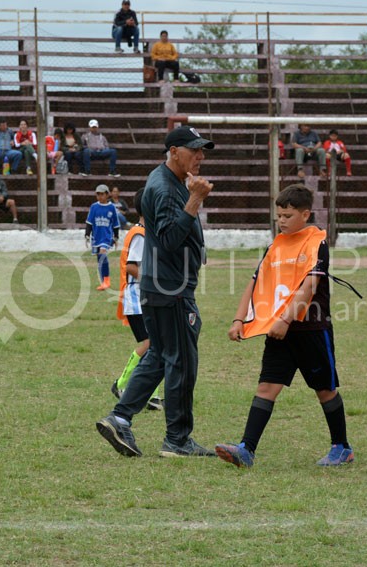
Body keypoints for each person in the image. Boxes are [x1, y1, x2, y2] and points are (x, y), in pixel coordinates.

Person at [95, 125, 215, 459]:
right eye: (195, 150)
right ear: (174, 151)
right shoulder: (164, 187)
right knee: (182, 362)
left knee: (161, 356)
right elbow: (166, 241)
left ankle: (120, 418)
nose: (201, 156)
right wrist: (194, 200)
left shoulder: (168, 181)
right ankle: (177, 440)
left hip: (160, 285)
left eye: (203, 150)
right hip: (170, 289)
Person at [216, 184, 354, 469]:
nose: (281, 220)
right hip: (278, 332)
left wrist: (286, 319)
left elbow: (309, 286)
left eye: (288, 215)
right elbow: (255, 284)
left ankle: (342, 448)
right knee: (267, 386)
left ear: (305, 214)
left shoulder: (316, 243)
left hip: (311, 331)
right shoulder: (275, 245)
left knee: (325, 390)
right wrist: (239, 319)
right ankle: (246, 449)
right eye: (278, 215)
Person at [112, 187, 163, 410]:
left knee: (157, 345)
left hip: (143, 298)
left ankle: (151, 393)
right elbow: (132, 267)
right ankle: (121, 383)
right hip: (137, 298)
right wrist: (155, 280)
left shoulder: (144, 232)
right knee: (152, 344)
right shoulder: (140, 235)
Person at [85, 184, 120, 291]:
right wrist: (87, 234)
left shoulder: (111, 208)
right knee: (99, 258)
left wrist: (116, 237)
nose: (100, 196)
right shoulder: (94, 207)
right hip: (96, 237)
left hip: (106, 237)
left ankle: (106, 281)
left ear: (107, 194)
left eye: (102, 194)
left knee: (102, 253)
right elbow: (89, 222)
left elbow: (115, 224)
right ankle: (103, 281)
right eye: (98, 194)